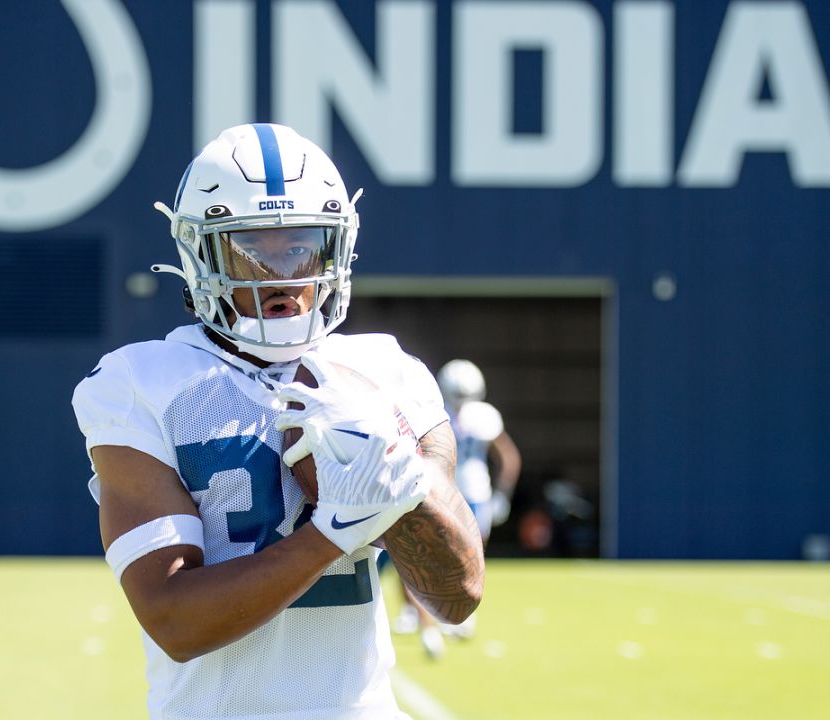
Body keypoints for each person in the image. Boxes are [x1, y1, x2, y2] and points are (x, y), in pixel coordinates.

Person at [71, 123, 485, 719]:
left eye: (303, 246)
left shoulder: (386, 375)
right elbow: (174, 620)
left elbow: (457, 596)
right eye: (251, 249)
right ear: (199, 253)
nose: (284, 274)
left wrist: (398, 475)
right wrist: (332, 535)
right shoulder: (140, 384)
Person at [392, 359, 520, 642]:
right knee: (423, 550)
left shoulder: (485, 416)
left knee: (469, 556)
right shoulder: (433, 412)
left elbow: (507, 457)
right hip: (442, 489)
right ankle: (418, 610)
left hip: (475, 492)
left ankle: (460, 612)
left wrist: (502, 494)